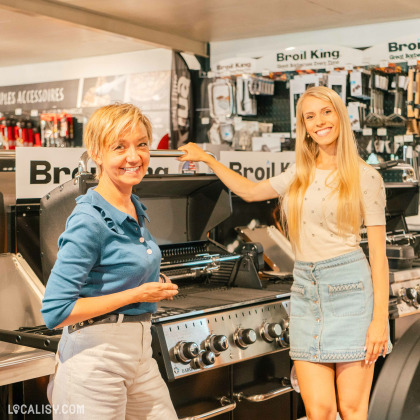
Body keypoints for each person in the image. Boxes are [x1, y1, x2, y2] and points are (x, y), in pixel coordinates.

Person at [178, 86, 392, 420]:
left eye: (326, 112)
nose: (319, 121)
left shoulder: (367, 177)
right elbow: (249, 191)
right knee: (319, 410)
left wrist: (380, 321)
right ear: (304, 127)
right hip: (305, 291)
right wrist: (207, 159)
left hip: (351, 291)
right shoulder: (300, 174)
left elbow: (379, 256)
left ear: (340, 116)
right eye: (310, 116)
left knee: (351, 410)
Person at [41, 103, 179, 420]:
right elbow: (56, 311)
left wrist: (154, 286)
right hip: (95, 358)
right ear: (97, 154)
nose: (134, 157)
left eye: (141, 144)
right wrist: (137, 294)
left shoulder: (134, 206)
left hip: (140, 352)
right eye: (120, 146)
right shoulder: (89, 219)